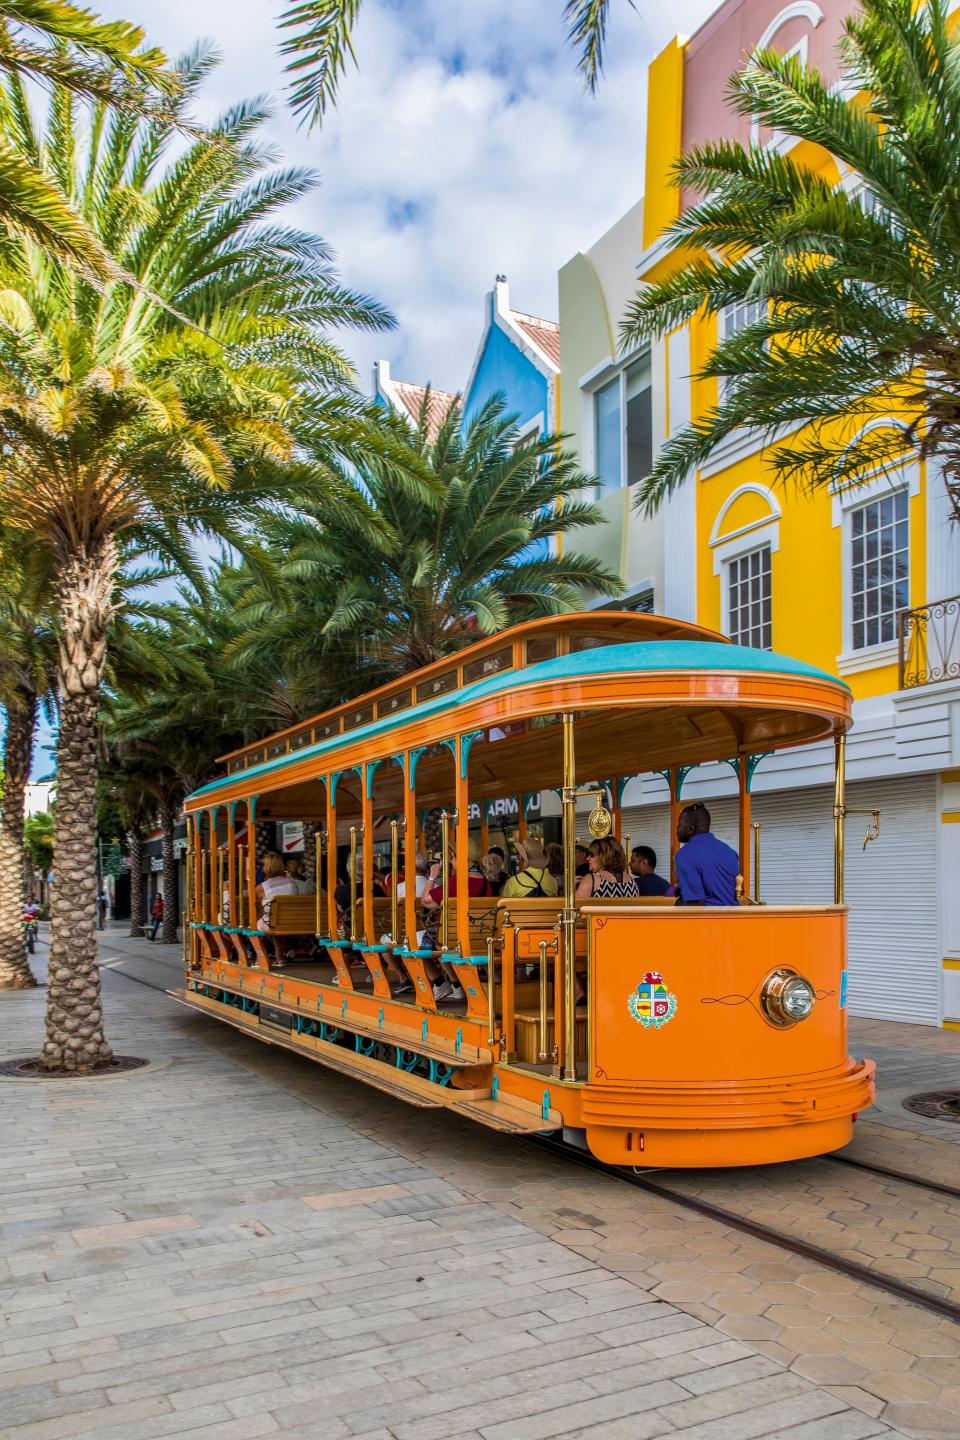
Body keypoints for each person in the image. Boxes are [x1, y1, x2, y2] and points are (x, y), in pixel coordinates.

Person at [674, 803, 739, 906]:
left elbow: (695, 903)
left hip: (709, 919)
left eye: (680, 824)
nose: (677, 828)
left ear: (691, 829)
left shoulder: (684, 855)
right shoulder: (730, 852)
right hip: (735, 918)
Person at [256, 851, 299, 933]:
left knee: (258, 923)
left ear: (266, 867)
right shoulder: (291, 881)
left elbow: (260, 909)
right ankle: (280, 946)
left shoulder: (261, 887)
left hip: (273, 925)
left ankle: (271, 946)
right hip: (292, 921)